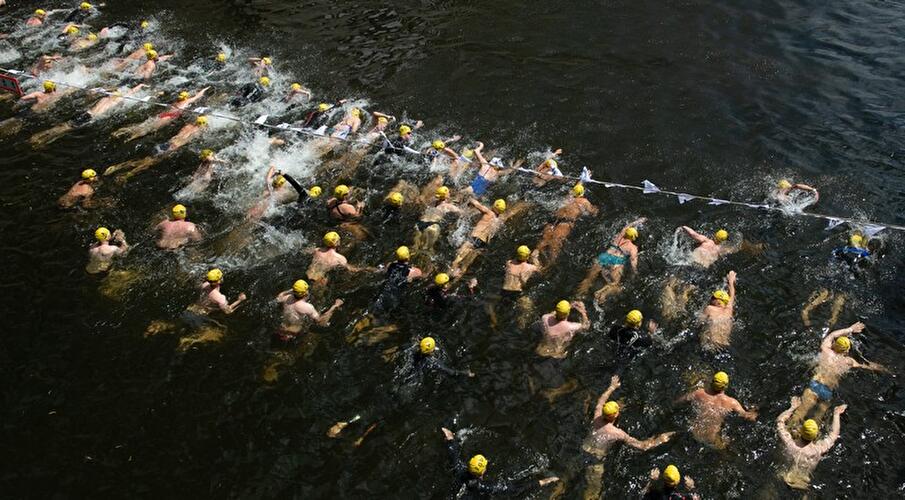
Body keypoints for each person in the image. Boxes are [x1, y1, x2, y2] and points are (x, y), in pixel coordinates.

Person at [582, 375, 674, 499]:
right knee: (593, 493)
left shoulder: (597, 416)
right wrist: (660, 439)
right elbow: (642, 446)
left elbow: (601, 400)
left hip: (584, 450)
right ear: (615, 415)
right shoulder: (616, 433)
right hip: (596, 462)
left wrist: (612, 387)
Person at [788, 322, 887, 428]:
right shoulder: (848, 362)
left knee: (800, 413)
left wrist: (850, 329)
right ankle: (813, 440)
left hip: (815, 385)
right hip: (828, 392)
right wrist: (882, 369)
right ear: (847, 350)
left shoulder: (825, 350)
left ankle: (791, 430)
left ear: (835, 344)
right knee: (818, 420)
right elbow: (866, 366)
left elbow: (832, 335)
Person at [441, 428, 559, 495]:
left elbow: (453, 453)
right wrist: (544, 481)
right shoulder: (485, 487)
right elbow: (515, 488)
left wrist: (450, 438)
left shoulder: (458, 470)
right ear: (483, 471)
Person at [30, 83, 147, 147]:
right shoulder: (117, 101)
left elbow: (97, 90)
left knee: (64, 125)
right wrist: (141, 85)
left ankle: (37, 137)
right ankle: (41, 141)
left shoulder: (106, 97)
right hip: (90, 117)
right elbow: (131, 93)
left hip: (86, 113)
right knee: (65, 129)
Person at [776, 396, 846, 490]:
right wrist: (836, 414)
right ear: (815, 435)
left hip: (785, 474)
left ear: (801, 431)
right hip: (804, 481)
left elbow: (780, 421)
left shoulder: (789, 443)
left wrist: (792, 407)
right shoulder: (818, 449)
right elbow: (834, 434)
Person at [676, 371, 757, 449]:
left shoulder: (699, 393)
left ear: (712, 382)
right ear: (726, 386)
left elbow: (680, 401)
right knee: (727, 446)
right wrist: (754, 411)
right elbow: (747, 416)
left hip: (694, 433)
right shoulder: (731, 403)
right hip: (710, 438)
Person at [576, 218, 645, 304]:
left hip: (603, 258)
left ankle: (578, 296)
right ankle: (601, 294)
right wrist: (634, 273)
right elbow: (633, 262)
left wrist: (638, 221)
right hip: (616, 263)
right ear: (634, 238)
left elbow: (627, 226)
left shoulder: (620, 236)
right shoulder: (633, 248)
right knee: (615, 285)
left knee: (588, 279)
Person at [535, 183, 599, 266]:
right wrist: (596, 209)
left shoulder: (568, 197)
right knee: (555, 247)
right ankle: (548, 266)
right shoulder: (584, 201)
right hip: (564, 224)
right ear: (582, 194)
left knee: (543, 241)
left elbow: (574, 189)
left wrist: (581, 182)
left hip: (553, 221)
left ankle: (534, 257)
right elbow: (593, 212)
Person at [111, 87, 208, 142]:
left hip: (162, 115)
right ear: (186, 98)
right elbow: (197, 96)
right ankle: (130, 138)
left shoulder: (176, 102)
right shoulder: (186, 102)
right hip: (167, 118)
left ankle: (119, 132)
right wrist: (204, 90)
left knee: (142, 125)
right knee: (147, 129)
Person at [449, 199, 513, 277]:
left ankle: (450, 273)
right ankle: (457, 278)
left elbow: (476, 204)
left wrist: (470, 200)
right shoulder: (498, 221)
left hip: (475, 238)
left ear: (494, 205)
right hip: (484, 244)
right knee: (467, 263)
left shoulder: (488, 212)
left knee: (459, 256)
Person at [274, 279, 343, 342]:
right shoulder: (307, 307)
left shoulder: (285, 298)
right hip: (294, 332)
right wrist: (335, 306)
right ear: (305, 293)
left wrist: (293, 290)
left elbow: (279, 296)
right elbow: (320, 321)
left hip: (282, 328)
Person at [412, 185, 463, 256]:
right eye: (449, 193)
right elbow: (461, 213)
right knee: (426, 252)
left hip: (420, 223)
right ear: (446, 195)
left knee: (414, 248)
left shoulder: (432, 202)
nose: (450, 194)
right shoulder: (448, 206)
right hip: (432, 226)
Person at [700, 271, 736, 350]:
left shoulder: (710, 308)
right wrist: (731, 281)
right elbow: (732, 295)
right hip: (725, 345)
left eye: (712, 298)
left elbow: (699, 321)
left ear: (716, 300)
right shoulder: (728, 310)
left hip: (711, 343)